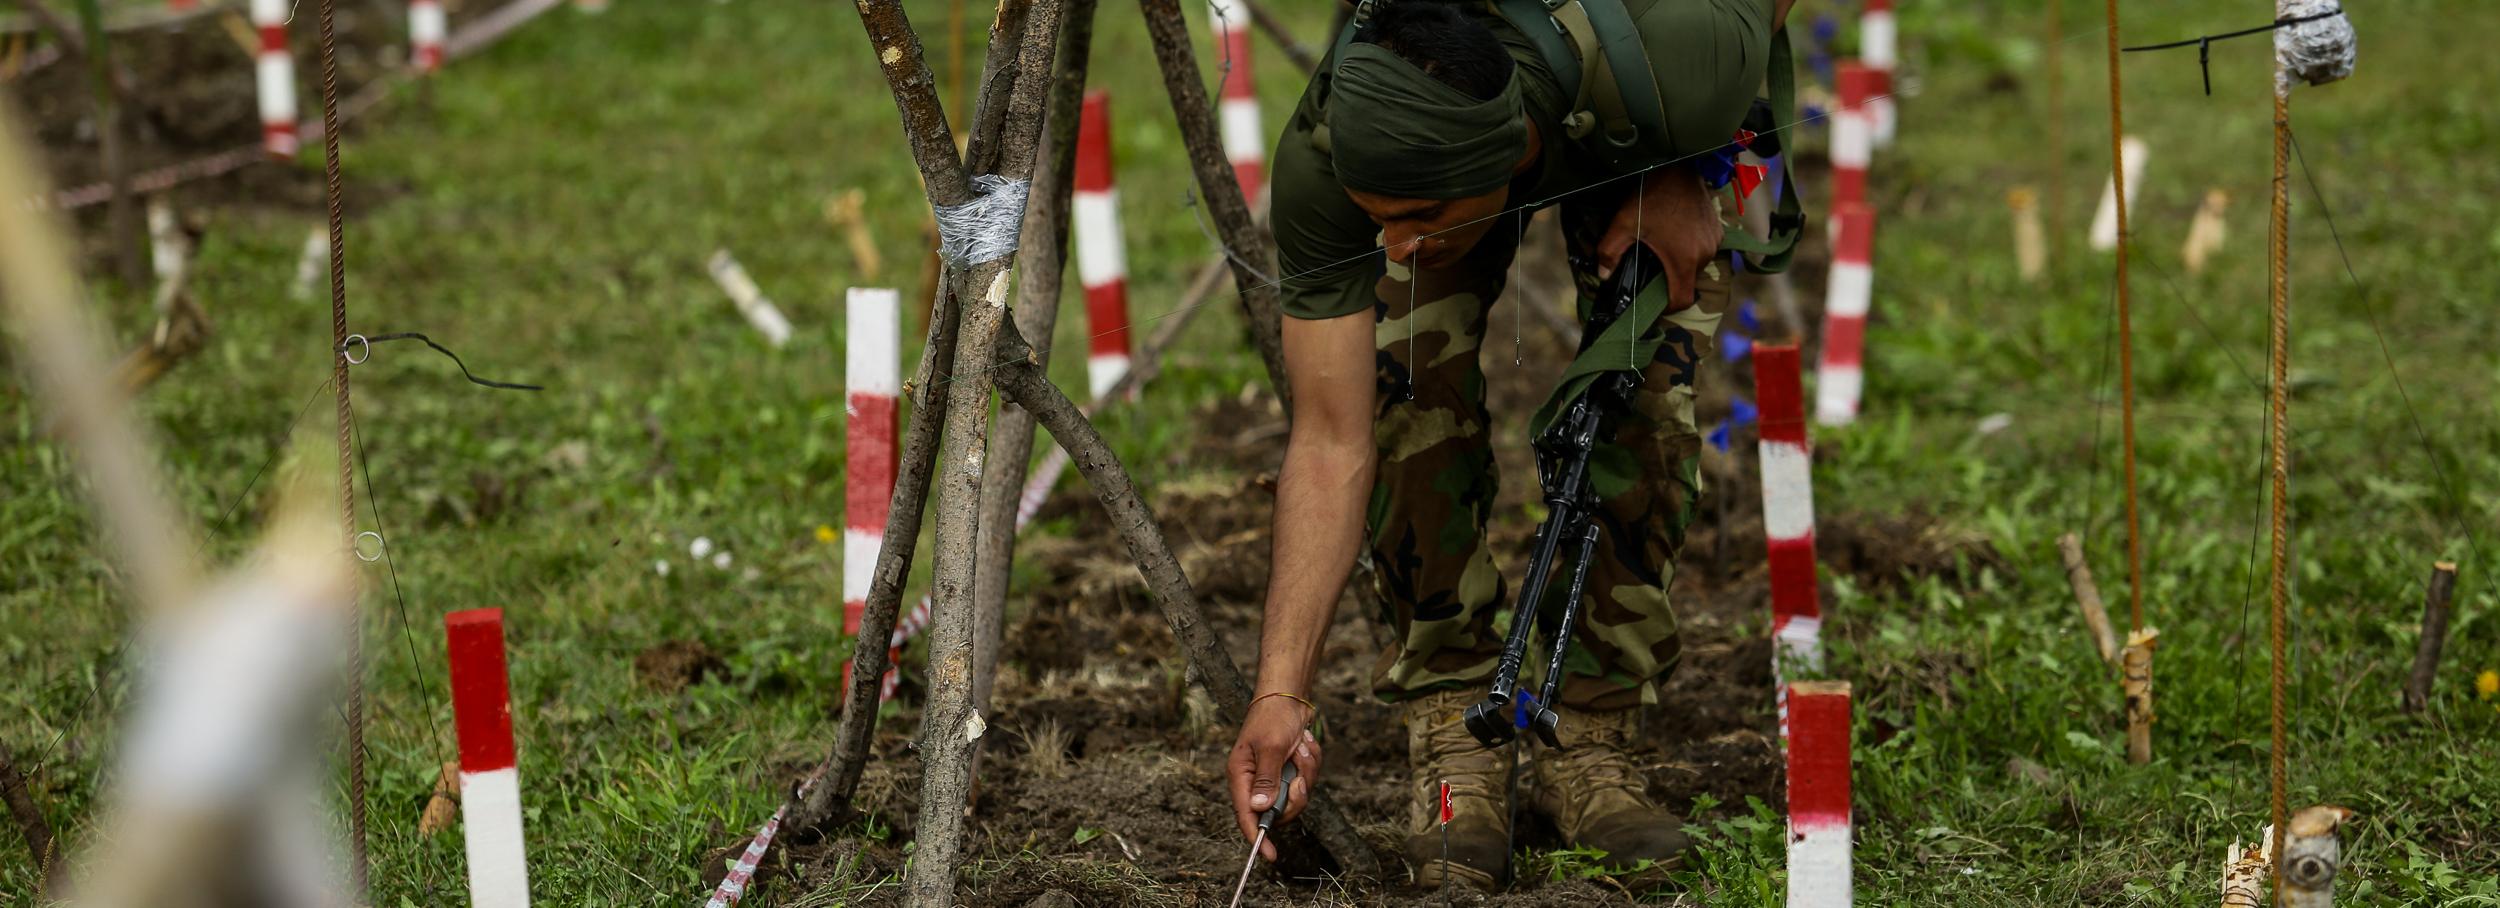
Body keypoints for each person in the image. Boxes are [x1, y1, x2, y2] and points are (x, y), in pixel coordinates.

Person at [1223, 0, 1799, 889]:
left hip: (1638, 94)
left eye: (1418, 215)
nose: (1395, 246)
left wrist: (1695, 160)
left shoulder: (1690, 57)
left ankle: (1590, 732)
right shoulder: (1329, 161)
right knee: (1400, 384)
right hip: (1533, 107)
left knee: (1645, 396)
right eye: (1379, 220)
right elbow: (1332, 441)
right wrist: (1279, 692)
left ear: (1511, 157)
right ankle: (1454, 724)